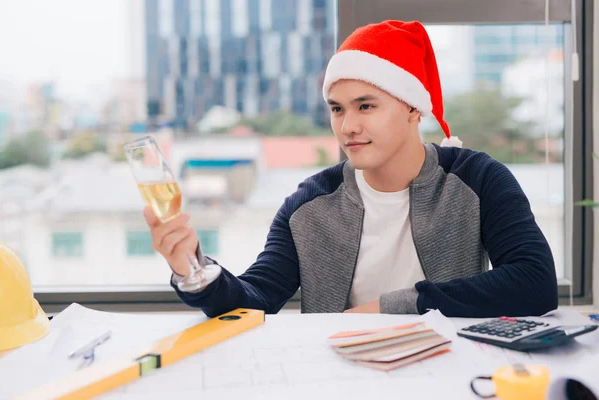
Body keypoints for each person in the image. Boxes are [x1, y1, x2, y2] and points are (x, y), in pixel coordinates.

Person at [144, 20, 558, 318]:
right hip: (339, 376)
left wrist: (395, 306)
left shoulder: (479, 178)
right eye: (337, 109)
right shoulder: (308, 203)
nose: (348, 127)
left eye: (366, 105)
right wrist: (192, 268)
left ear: (414, 107)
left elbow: (534, 282)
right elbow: (257, 298)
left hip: (448, 375)